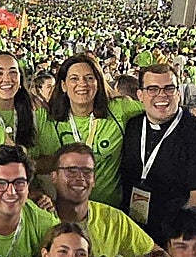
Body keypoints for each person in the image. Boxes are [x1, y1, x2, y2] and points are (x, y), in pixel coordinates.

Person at [120, 64, 196, 248]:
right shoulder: (133, 126)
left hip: (182, 239)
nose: (162, 95)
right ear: (140, 95)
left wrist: (179, 243)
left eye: (169, 88)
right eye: (152, 89)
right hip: (140, 236)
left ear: (179, 93)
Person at [51, 143, 165, 257]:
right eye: (71, 171)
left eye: (87, 172)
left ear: (94, 180)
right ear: (54, 176)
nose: (80, 178)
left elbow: (158, 253)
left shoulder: (112, 218)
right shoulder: (41, 219)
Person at [40, 54, 133, 208]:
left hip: (108, 214)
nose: (82, 84)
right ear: (63, 85)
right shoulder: (45, 117)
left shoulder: (119, 109)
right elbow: (28, 163)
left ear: (98, 83)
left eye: (89, 78)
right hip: (60, 213)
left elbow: (157, 111)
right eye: (74, 79)